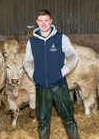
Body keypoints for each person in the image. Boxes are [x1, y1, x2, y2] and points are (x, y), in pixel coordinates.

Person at [23, 9, 79, 139]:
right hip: (42, 87)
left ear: (51, 21)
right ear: (37, 22)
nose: (43, 24)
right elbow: (27, 61)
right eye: (41, 21)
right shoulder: (32, 42)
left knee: (68, 118)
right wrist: (34, 75)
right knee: (43, 122)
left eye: (46, 20)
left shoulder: (61, 38)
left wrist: (63, 71)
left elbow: (73, 56)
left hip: (59, 85)